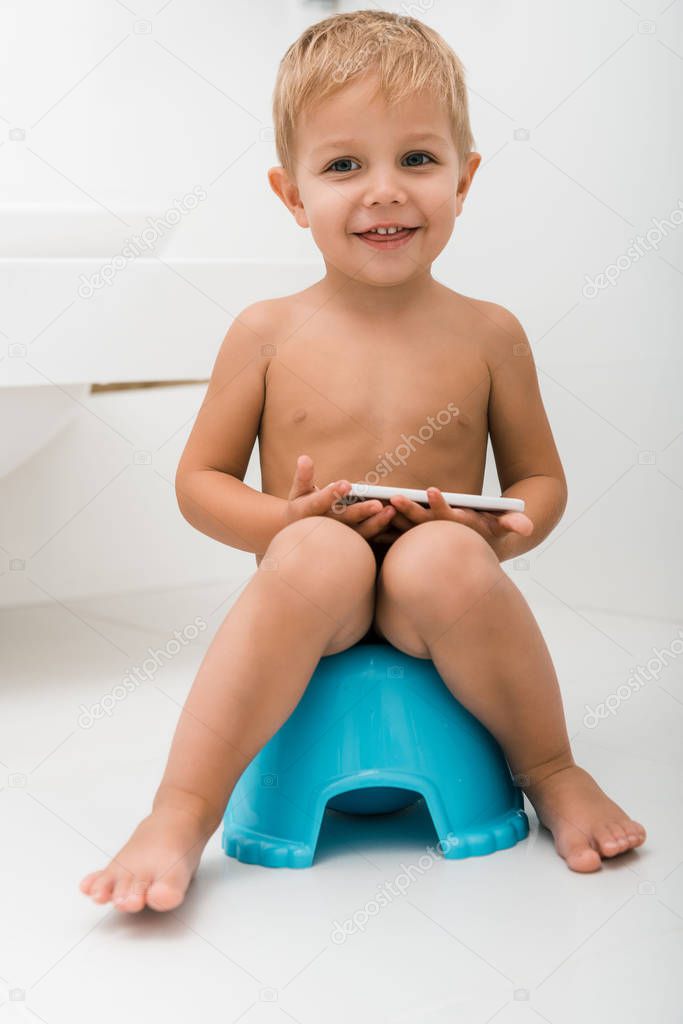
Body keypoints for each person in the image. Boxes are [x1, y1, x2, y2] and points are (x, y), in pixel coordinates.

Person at [80, 10, 646, 913]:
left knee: (441, 557)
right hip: (319, 599)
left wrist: (496, 529)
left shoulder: (488, 334)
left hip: (440, 594)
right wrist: (281, 522)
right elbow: (199, 481)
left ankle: (550, 770)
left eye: (416, 160)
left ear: (464, 180)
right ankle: (180, 811)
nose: (383, 191)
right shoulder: (265, 332)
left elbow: (540, 478)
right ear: (292, 194)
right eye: (344, 165)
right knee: (318, 554)